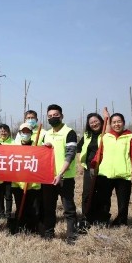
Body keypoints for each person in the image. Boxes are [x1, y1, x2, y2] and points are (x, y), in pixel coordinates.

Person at [92, 113, 132, 226]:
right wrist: (93, 166)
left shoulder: (131, 137)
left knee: (123, 202)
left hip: (123, 175)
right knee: (103, 200)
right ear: (111, 124)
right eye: (114, 122)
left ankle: (121, 222)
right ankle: (103, 220)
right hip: (105, 174)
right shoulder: (106, 137)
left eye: (119, 121)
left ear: (123, 122)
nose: (117, 124)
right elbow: (100, 153)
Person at [42, 104, 78, 244]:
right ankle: (48, 233)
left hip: (65, 178)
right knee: (49, 208)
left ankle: (71, 236)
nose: (53, 118)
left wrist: (60, 174)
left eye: (55, 115)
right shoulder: (46, 134)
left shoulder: (69, 132)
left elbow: (70, 154)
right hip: (48, 178)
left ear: (61, 116)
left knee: (68, 208)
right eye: (50, 116)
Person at [76, 111, 109, 224]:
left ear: (101, 121)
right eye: (91, 122)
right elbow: (78, 148)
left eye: (96, 121)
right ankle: (86, 217)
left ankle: (102, 218)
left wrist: (107, 119)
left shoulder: (106, 134)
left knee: (102, 194)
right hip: (89, 168)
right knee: (87, 193)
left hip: (103, 168)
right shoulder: (87, 135)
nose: (94, 124)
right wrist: (81, 161)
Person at [11, 123, 41, 233]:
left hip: (33, 185)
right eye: (23, 132)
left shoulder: (37, 146)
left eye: (28, 132)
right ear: (19, 133)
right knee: (20, 208)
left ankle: (33, 230)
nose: (25, 134)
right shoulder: (14, 146)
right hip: (18, 184)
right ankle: (20, 229)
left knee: (33, 209)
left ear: (31, 133)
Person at [0, 124, 14, 219]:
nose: (3, 133)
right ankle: (1, 213)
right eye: (1, 131)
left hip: (9, 173)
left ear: (9, 132)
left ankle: (8, 213)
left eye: (5, 131)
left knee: (8, 195)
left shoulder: (14, 143)